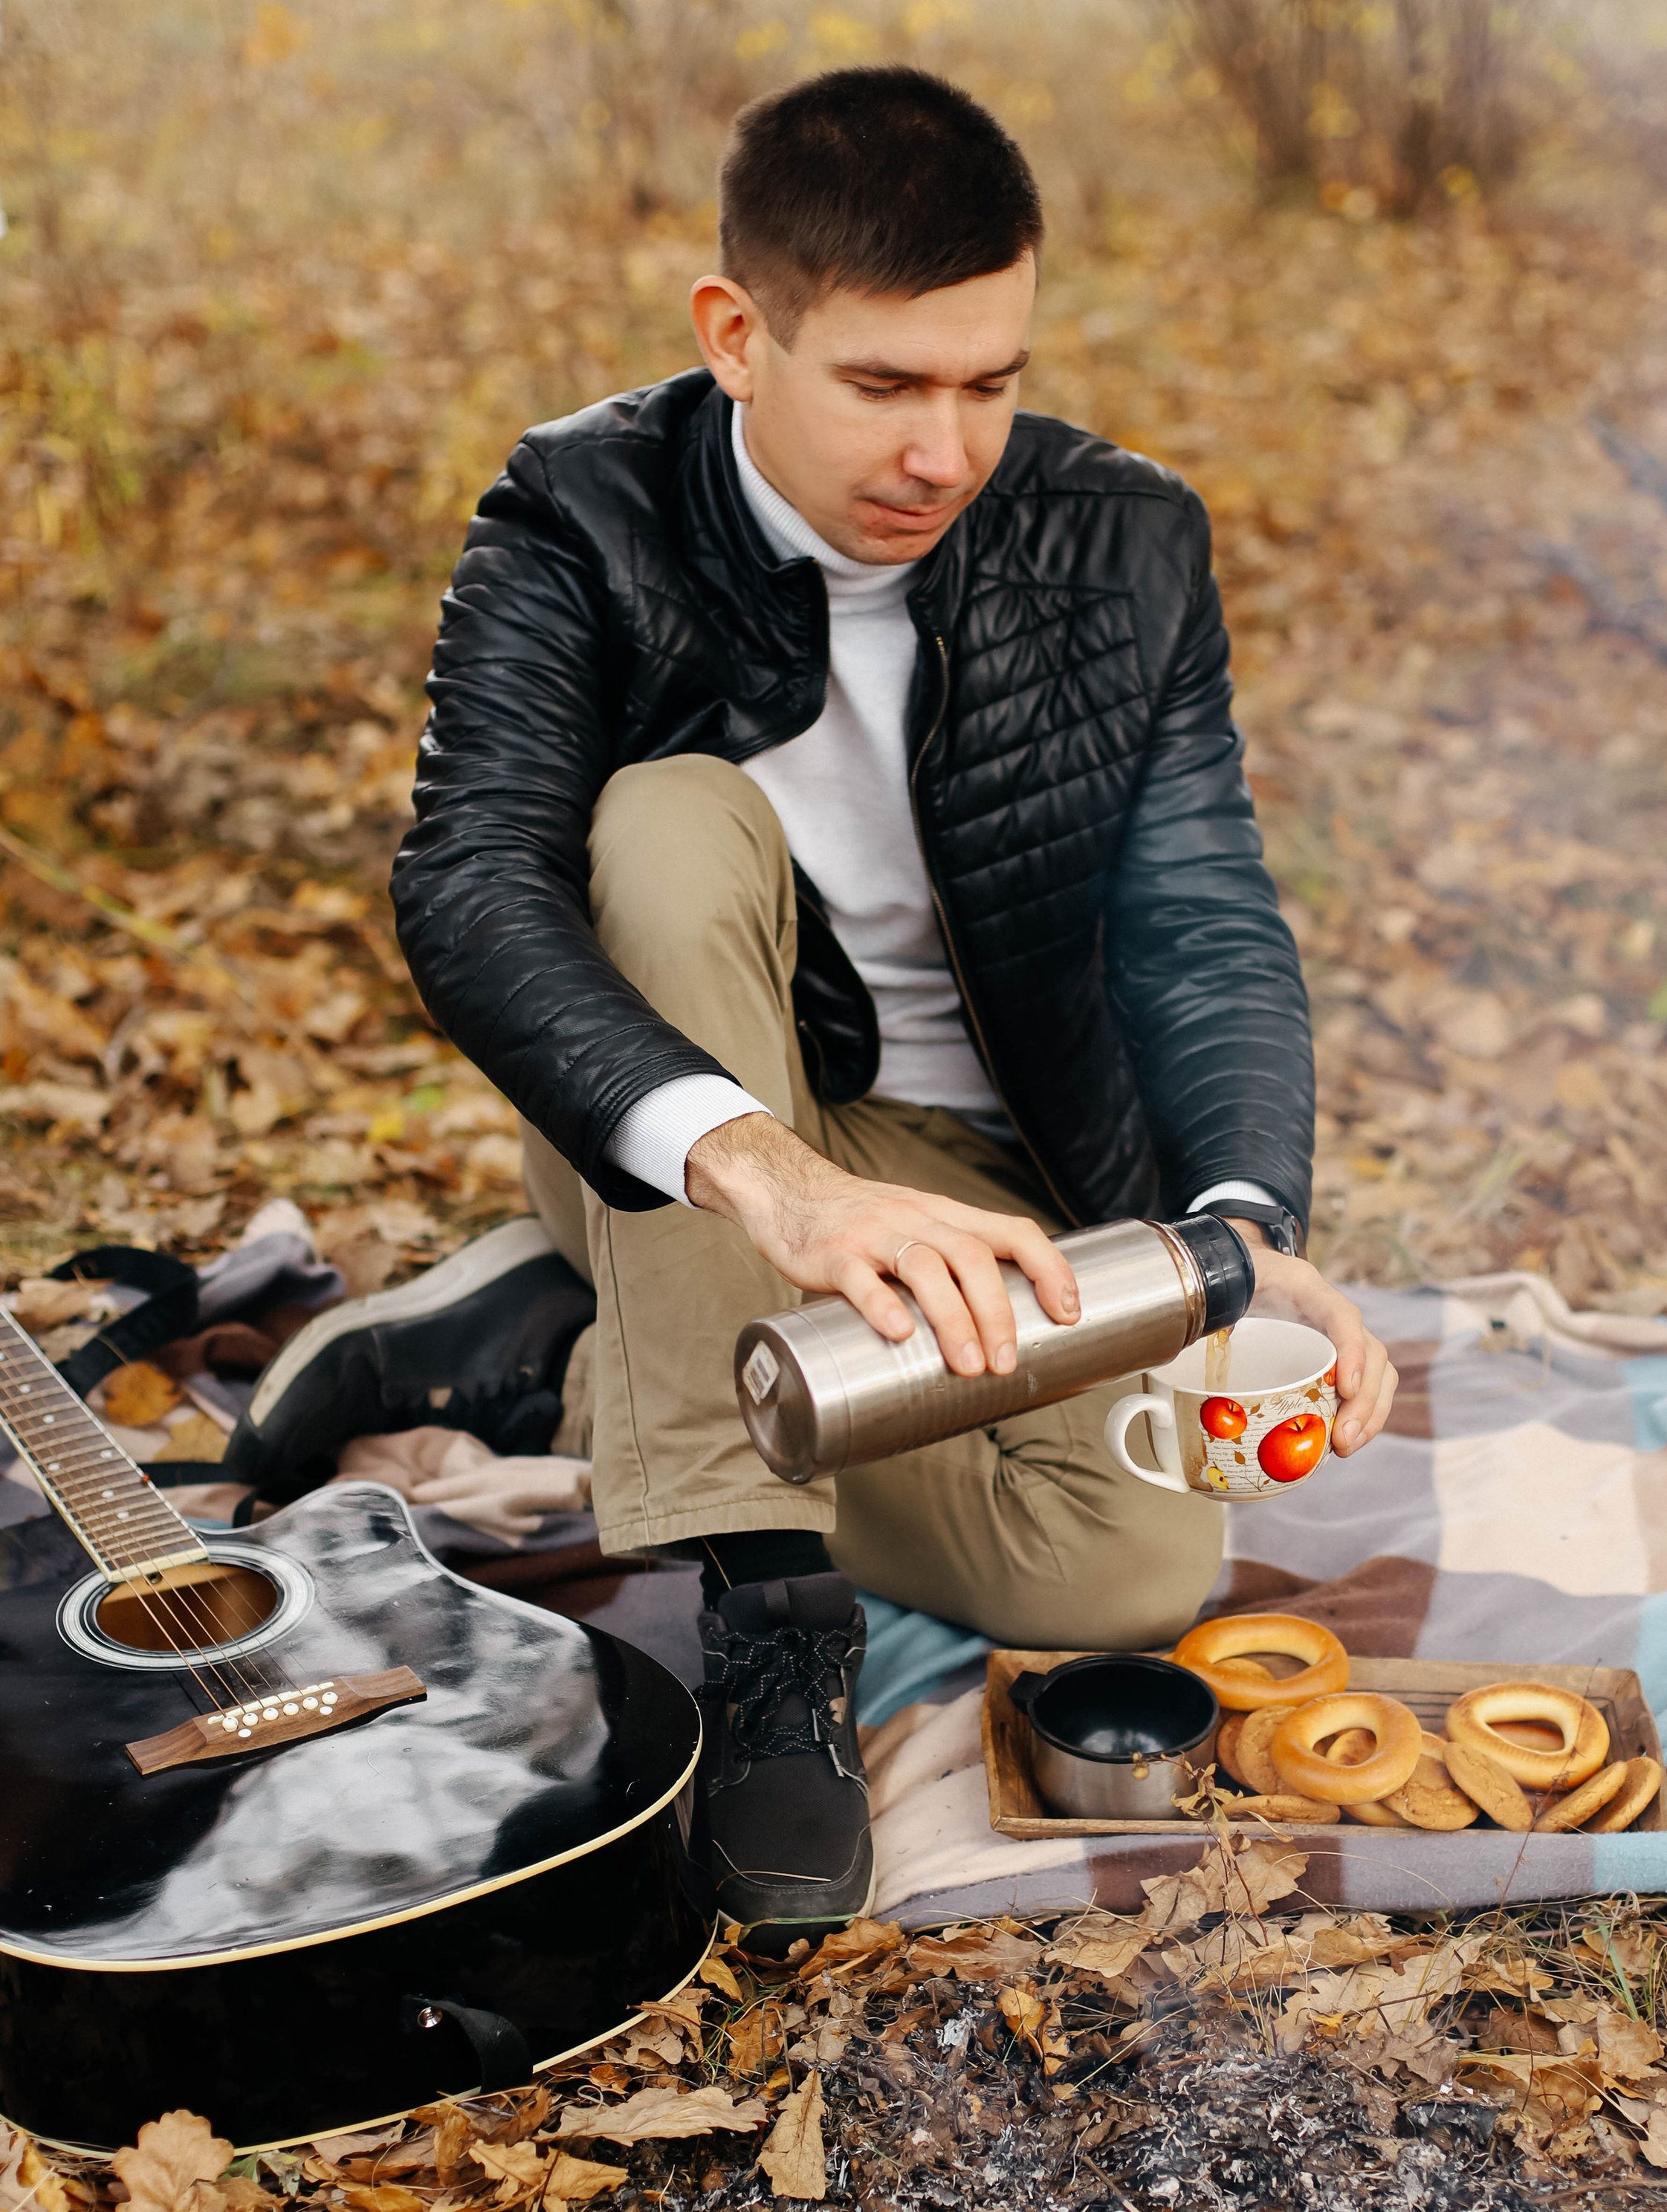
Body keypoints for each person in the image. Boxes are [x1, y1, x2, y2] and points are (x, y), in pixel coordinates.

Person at [384, 65, 1397, 1935]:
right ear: (735, 335)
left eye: (988, 382)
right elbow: (467, 882)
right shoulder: (574, 510)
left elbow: (1199, 915)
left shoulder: (1124, 541)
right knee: (664, 820)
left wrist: (1246, 1222)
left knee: (1118, 1581)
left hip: (984, 1158)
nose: (946, 450)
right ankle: (765, 1600)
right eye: (885, 385)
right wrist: (768, 1181)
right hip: (687, 1129)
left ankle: (592, 1353)